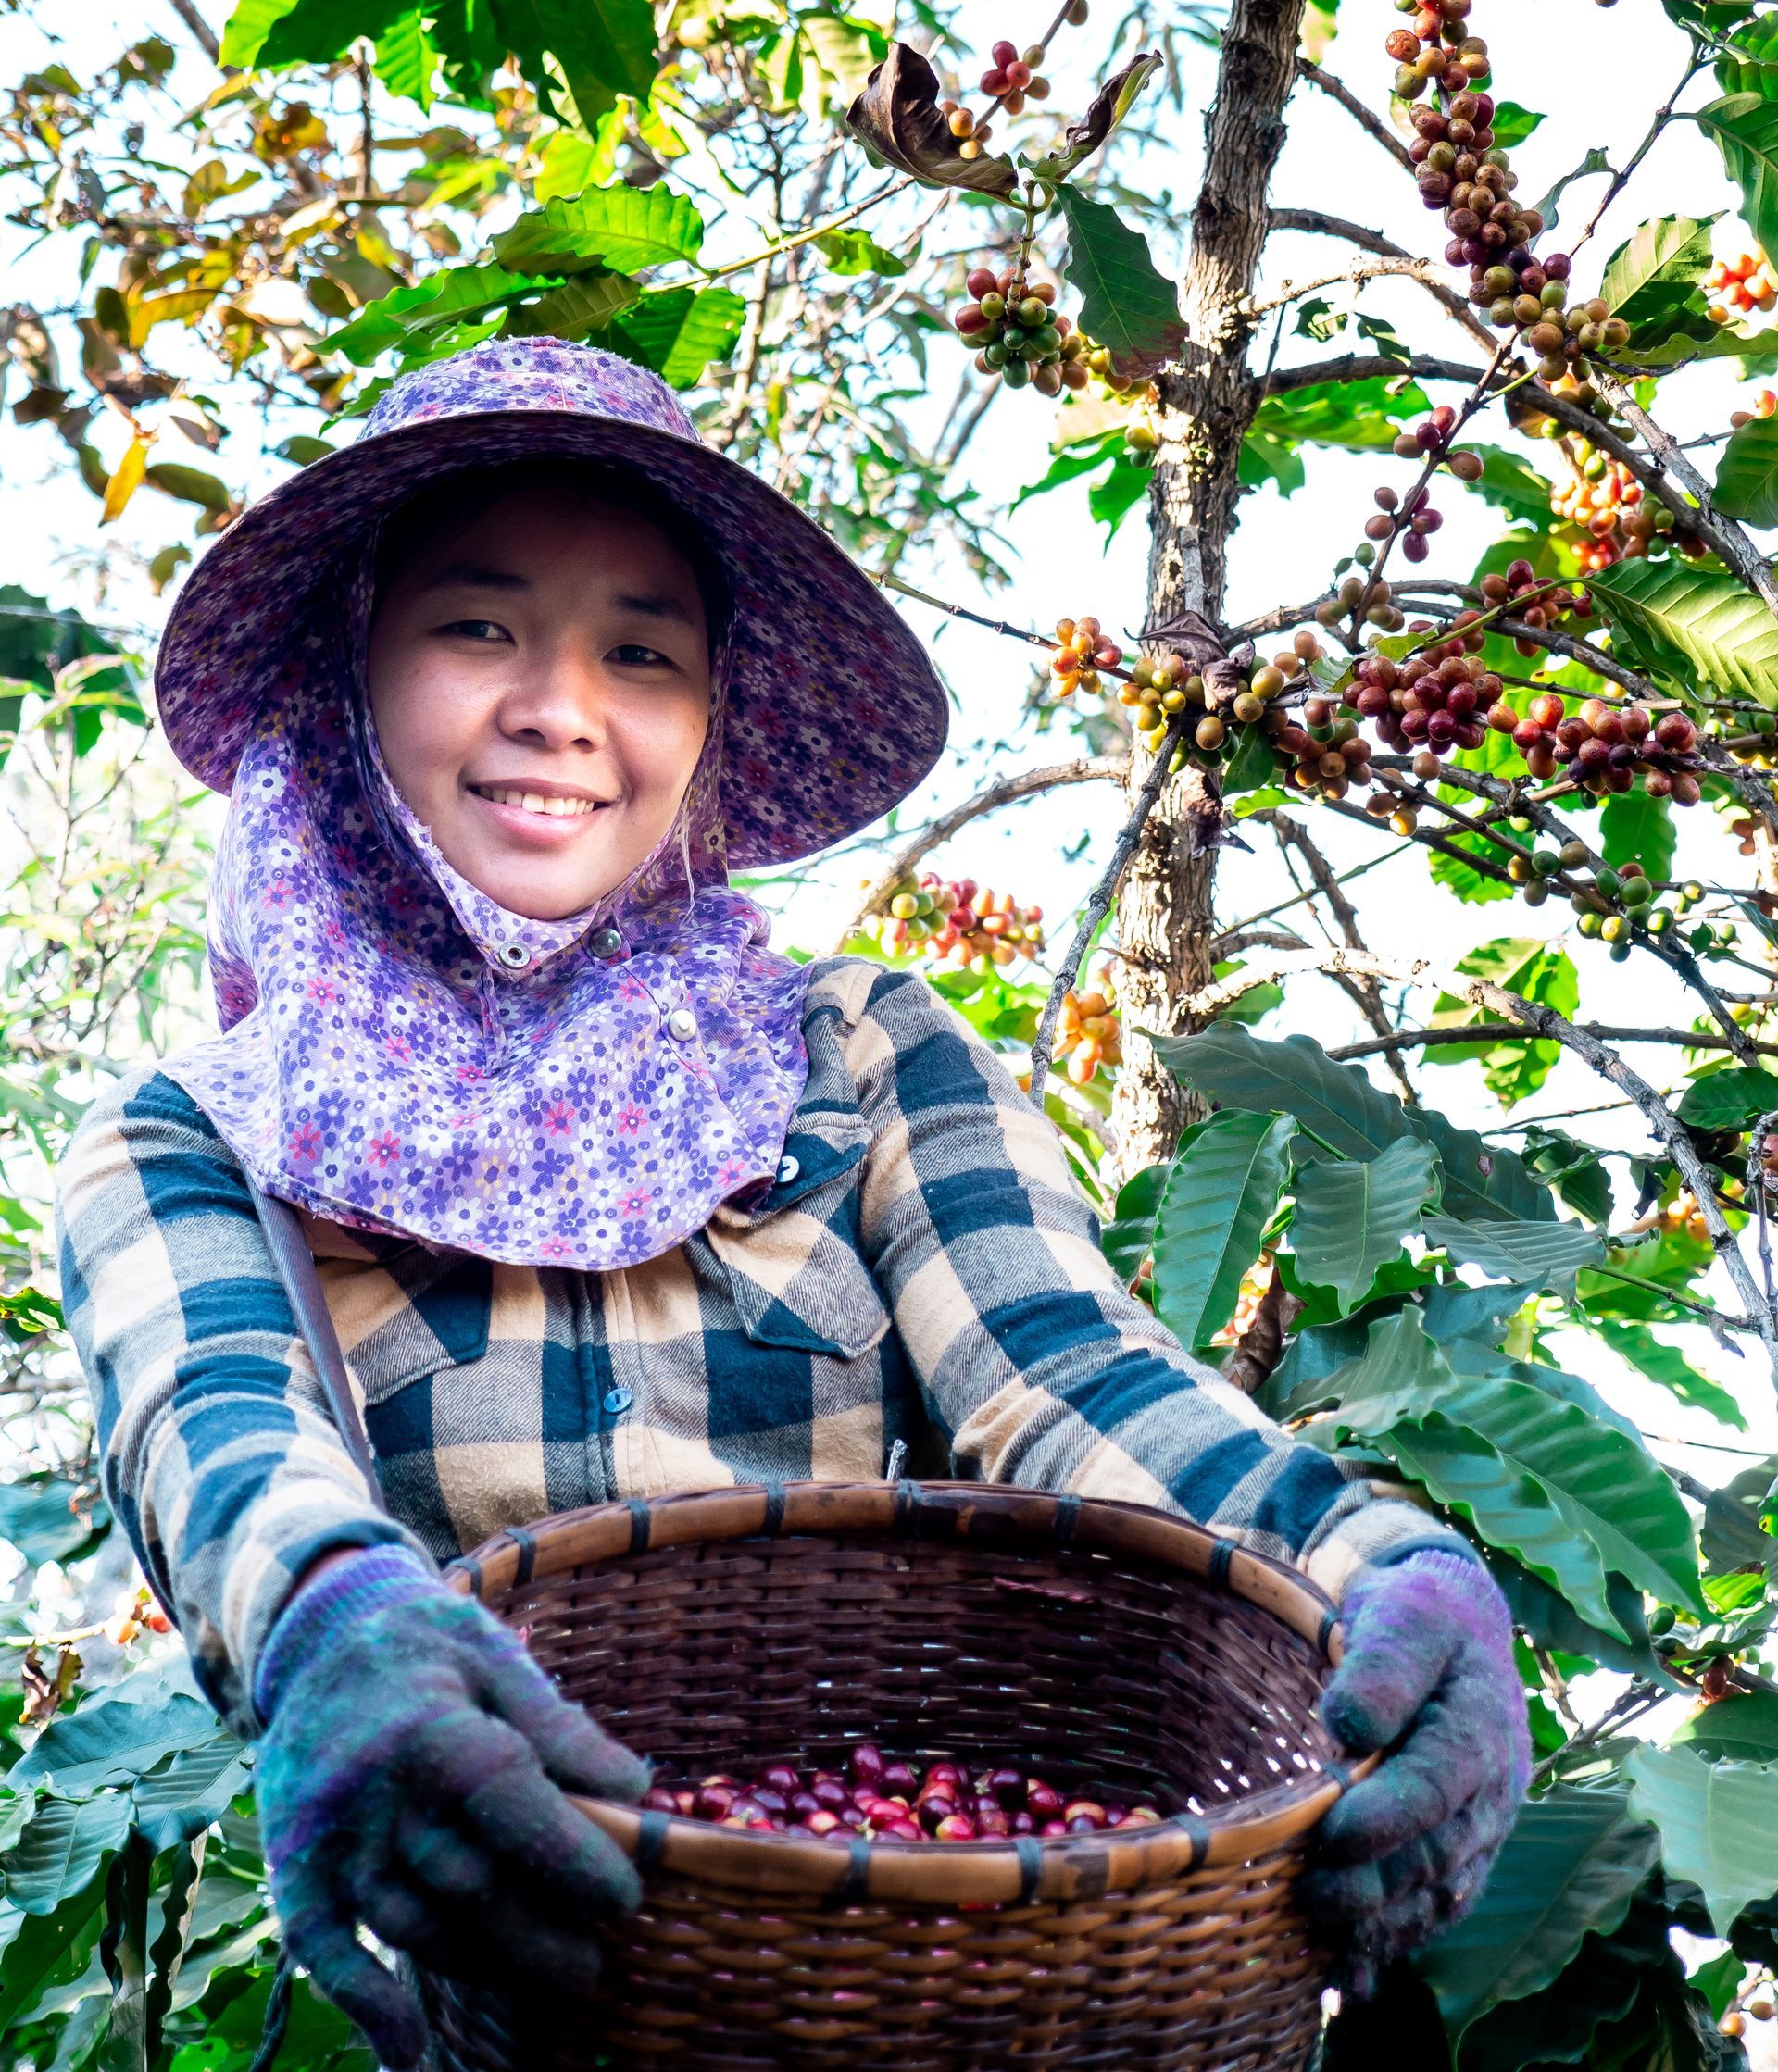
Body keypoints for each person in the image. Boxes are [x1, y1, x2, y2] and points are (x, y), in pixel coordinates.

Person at [56, 340, 1528, 2065]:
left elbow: (1070, 1374)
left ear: (707, 722)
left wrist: (1377, 1559)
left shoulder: (861, 1055)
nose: (563, 706)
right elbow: (221, 1436)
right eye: (476, 627)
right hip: (545, 1999)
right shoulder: (193, 1142)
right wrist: (332, 1619)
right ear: (350, 669)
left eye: (643, 650)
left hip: (912, 1984)